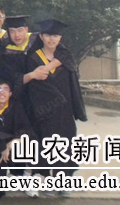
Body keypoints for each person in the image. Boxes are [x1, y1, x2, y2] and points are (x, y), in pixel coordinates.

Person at [25, 19, 87, 197]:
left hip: (64, 110)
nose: (52, 39)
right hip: (43, 110)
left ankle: (63, 182)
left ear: (60, 37)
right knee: (45, 145)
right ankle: (46, 179)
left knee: (65, 145)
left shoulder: (65, 57)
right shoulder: (33, 58)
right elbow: (32, 89)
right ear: (41, 36)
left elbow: (72, 84)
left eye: (56, 35)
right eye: (48, 35)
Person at [0, 78, 35, 199]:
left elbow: (25, 128)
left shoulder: (16, 107)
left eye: (6, 89)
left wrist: (13, 142)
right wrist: (2, 148)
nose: (2, 92)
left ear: (10, 94)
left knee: (32, 145)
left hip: (14, 146)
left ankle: (27, 177)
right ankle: (7, 176)